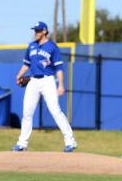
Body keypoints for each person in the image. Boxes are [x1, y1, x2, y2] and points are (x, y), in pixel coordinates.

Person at [12, 21, 77, 152]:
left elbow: (59, 68)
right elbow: (27, 64)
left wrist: (61, 85)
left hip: (48, 81)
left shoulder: (52, 47)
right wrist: (19, 75)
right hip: (33, 81)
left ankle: (70, 141)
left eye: (38, 30)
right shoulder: (31, 46)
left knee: (55, 111)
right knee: (27, 113)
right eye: (35, 30)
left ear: (45, 31)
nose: (35, 33)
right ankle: (22, 143)